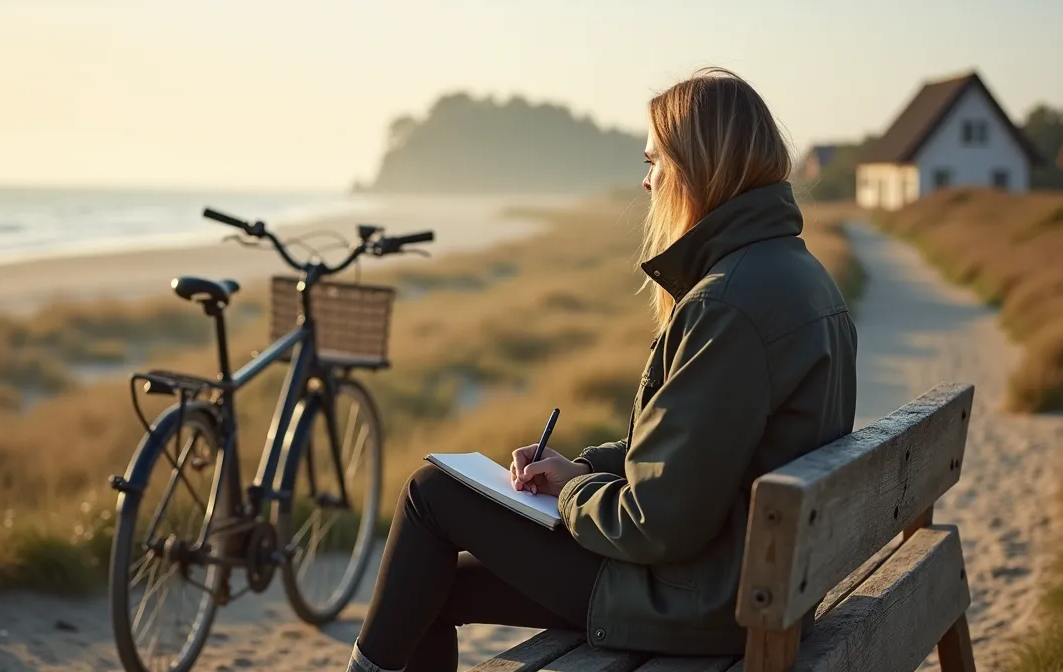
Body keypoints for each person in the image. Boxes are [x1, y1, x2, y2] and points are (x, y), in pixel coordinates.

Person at [345, 67, 858, 672]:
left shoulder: (726, 305)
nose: (646, 183)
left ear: (698, 167)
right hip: (744, 583)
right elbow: (697, 454)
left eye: (654, 162)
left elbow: (657, 522)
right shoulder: (796, 274)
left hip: (706, 601)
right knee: (427, 586)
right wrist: (585, 466)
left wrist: (567, 493)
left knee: (431, 495)